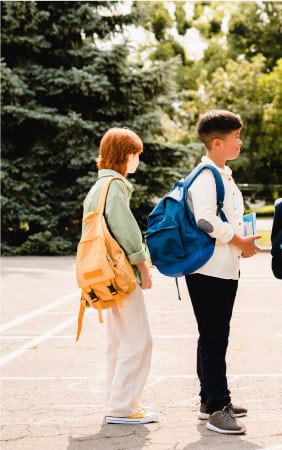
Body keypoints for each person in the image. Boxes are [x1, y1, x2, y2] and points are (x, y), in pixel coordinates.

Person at [185, 110, 261, 434]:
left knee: (213, 336)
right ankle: (218, 406)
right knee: (215, 338)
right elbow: (205, 220)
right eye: (235, 138)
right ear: (217, 143)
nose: (240, 142)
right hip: (208, 270)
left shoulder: (222, 173)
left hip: (222, 268)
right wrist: (239, 239)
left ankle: (209, 399)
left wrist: (242, 242)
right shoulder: (205, 176)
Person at [82, 127, 158, 425]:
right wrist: (142, 267)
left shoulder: (97, 187)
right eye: (136, 154)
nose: (138, 159)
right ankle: (124, 407)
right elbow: (127, 232)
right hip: (120, 274)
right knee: (139, 339)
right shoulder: (115, 186)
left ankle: (116, 402)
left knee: (118, 341)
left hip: (102, 274)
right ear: (124, 156)